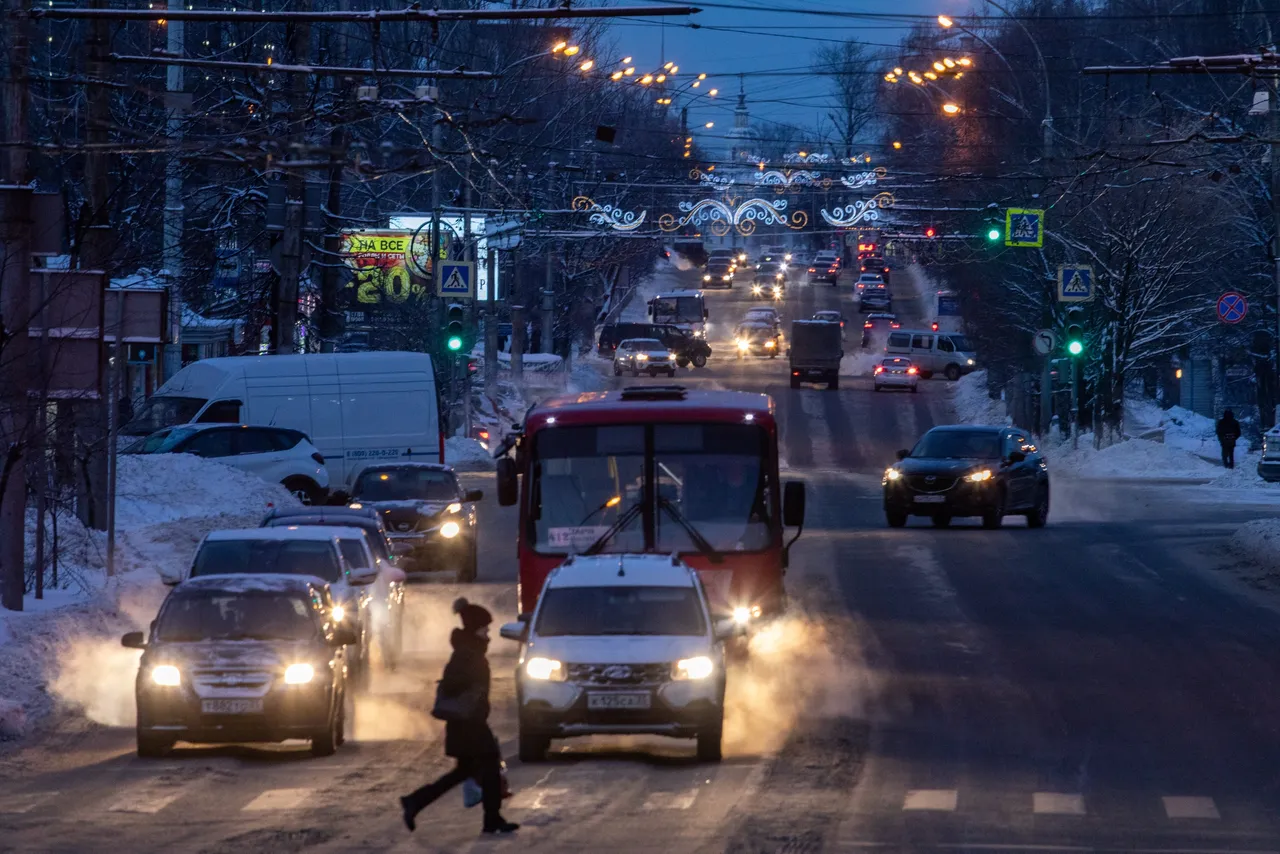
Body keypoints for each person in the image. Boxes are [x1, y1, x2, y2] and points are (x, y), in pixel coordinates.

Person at [399, 598, 518, 835]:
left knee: (463, 772)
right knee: (490, 767)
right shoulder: (467, 654)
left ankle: (416, 801)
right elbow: (453, 683)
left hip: (468, 723)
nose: (488, 634)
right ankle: (491, 820)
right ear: (475, 629)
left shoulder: (469, 651)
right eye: (485, 629)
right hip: (468, 724)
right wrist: (471, 691)